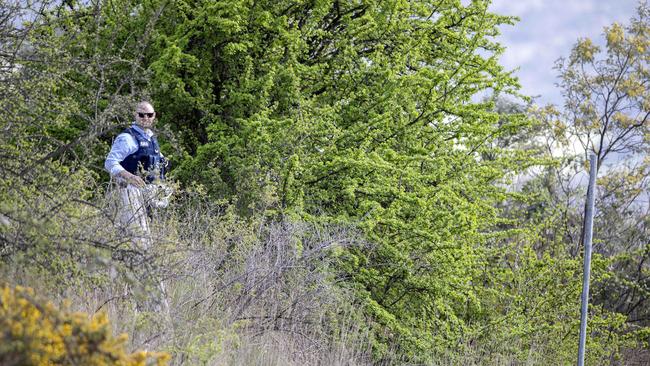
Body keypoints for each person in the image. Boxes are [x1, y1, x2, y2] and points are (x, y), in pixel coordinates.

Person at [104, 101, 170, 249]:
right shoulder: (127, 138)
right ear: (135, 115)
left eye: (149, 115)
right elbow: (110, 162)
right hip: (128, 192)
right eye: (141, 114)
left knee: (150, 237)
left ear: (154, 116)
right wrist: (130, 177)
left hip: (148, 194)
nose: (145, 118)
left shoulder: (151, 138)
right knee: (137, 239)